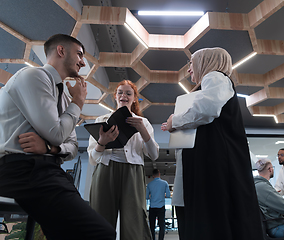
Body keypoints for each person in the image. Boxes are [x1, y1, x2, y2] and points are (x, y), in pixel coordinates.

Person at [0, 34, 115, 239]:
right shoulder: (34, 76)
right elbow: (56, 134)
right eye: (80, 54)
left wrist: (49, 149)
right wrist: (78, 102)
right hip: (23, 170)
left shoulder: (62, 95)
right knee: (101, 233)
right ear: (61, 51)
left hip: (48, 170)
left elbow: (70, 146)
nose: (83, 62)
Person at [161, 47, 263, 239]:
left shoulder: (215, 77)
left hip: (214, 165)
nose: (189, 69)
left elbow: (207, 109)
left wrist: (175, 121)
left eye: (191, 63)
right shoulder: (211, 82)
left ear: (205, 61)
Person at [88, 80, 159, 240]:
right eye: (120, 92)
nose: (123, 96)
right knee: (100, 217)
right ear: (115, 96)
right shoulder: (102, 120)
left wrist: (142, 130)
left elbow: (153, 155)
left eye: (128, 93)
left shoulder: (144, 122)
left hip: (133, 172)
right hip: (106, 170)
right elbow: (93, 158)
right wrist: (102, 142)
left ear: (135, 98)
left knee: (135, 222)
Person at [146, 169, 171, 240]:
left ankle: (153, 238)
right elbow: (168, 195)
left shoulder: (149, 184)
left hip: (152, 207)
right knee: (161, 226)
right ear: (159, 174)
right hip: (161, 206)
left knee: (152, 226)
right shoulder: (165, 183)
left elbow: (146, 197)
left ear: (153, 175)